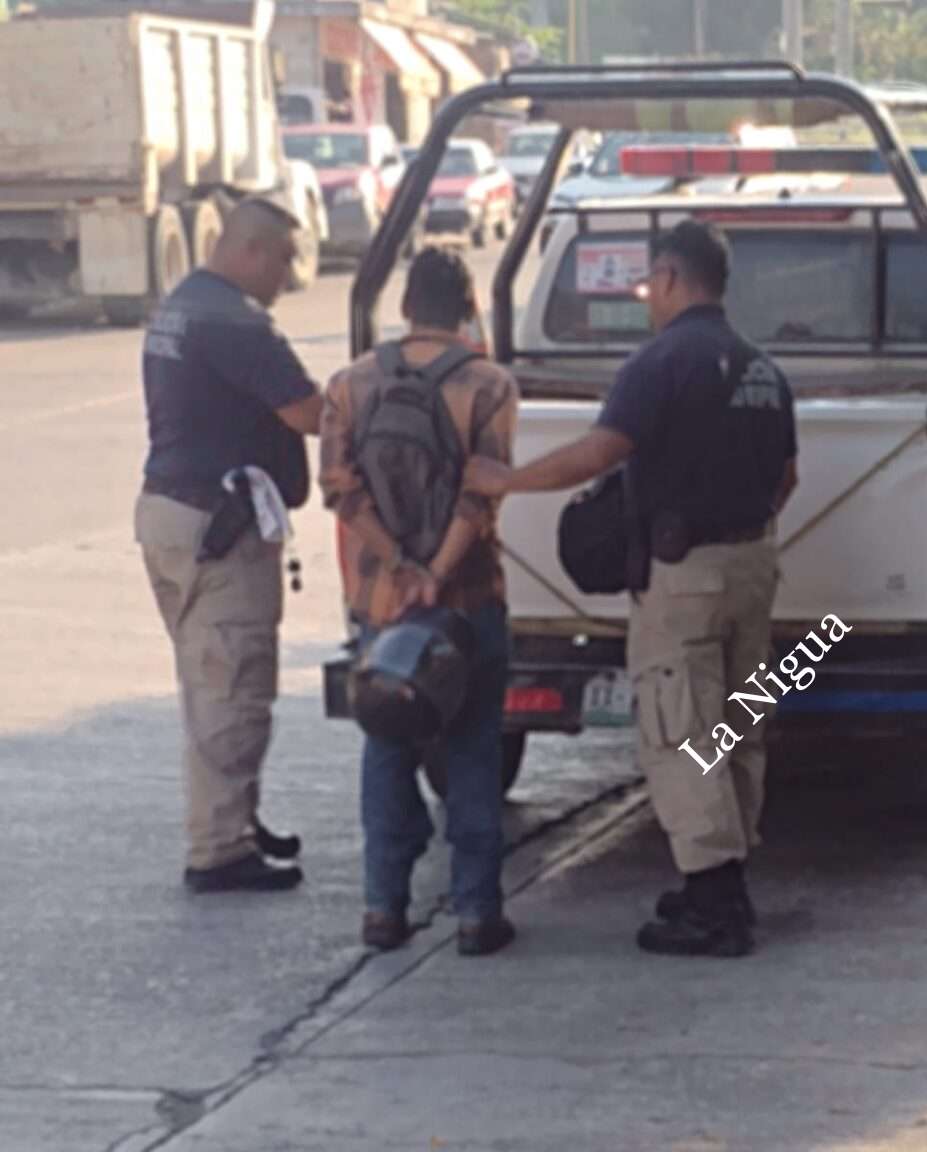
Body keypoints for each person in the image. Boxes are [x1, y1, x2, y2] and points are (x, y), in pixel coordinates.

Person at [465, 220, 798, 959]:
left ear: (674, 279)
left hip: (685, 580)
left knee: (682, 733)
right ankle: (728, 874)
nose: (648, 297)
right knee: (736, 726)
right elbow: (787, 479)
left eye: (650, 284)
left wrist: (510, 481)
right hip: (752, 565)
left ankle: (714, 903)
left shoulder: (661, 362)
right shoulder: (762, 369)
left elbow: (600, 451)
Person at [319, 247, 519, 957]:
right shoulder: (489, 383)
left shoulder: (351, 383)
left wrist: (401, 566)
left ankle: (382, 909)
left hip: (382, 605)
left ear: (404, 307)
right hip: (467, 600)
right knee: (471, 753)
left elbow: (340, 490)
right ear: (468, 308)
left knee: (385, 748)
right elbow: (481, 493)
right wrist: (436, 570)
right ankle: (475, 915)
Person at [134, 199, 321, 894]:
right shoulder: (235, 322)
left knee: (207, 682)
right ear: (250, 251)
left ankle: (234, 816)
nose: (291, 274)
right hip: (219, 531)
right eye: (284, 259)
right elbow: (309, 411)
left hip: (172, 514)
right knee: (232, 690)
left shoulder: (181, 305)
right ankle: (221, 849)